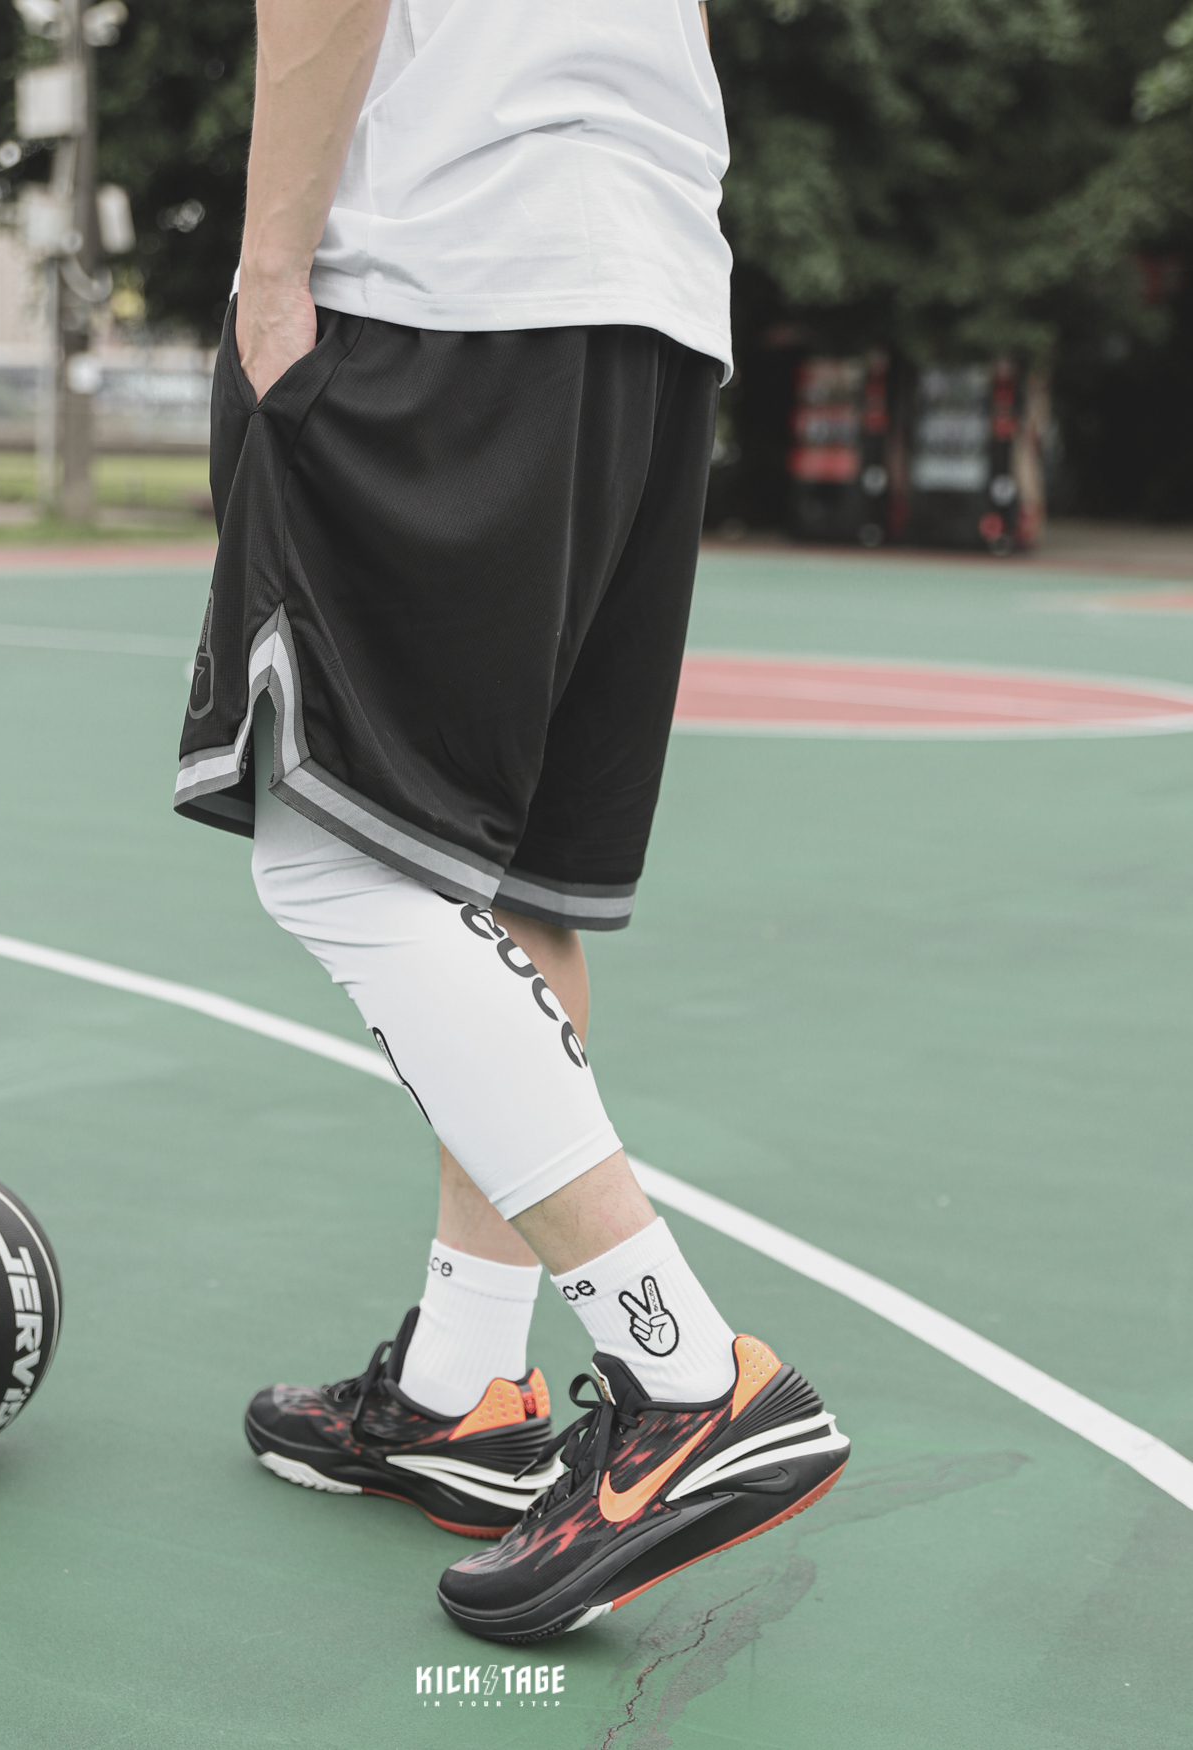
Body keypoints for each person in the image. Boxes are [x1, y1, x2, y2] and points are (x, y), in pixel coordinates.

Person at [176, 0, 848, 1643]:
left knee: (337, 862)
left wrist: (270, 276)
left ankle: (686, 1372)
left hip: (448, 267)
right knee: (516, 873)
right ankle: (465, 1391)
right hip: (651, 287)